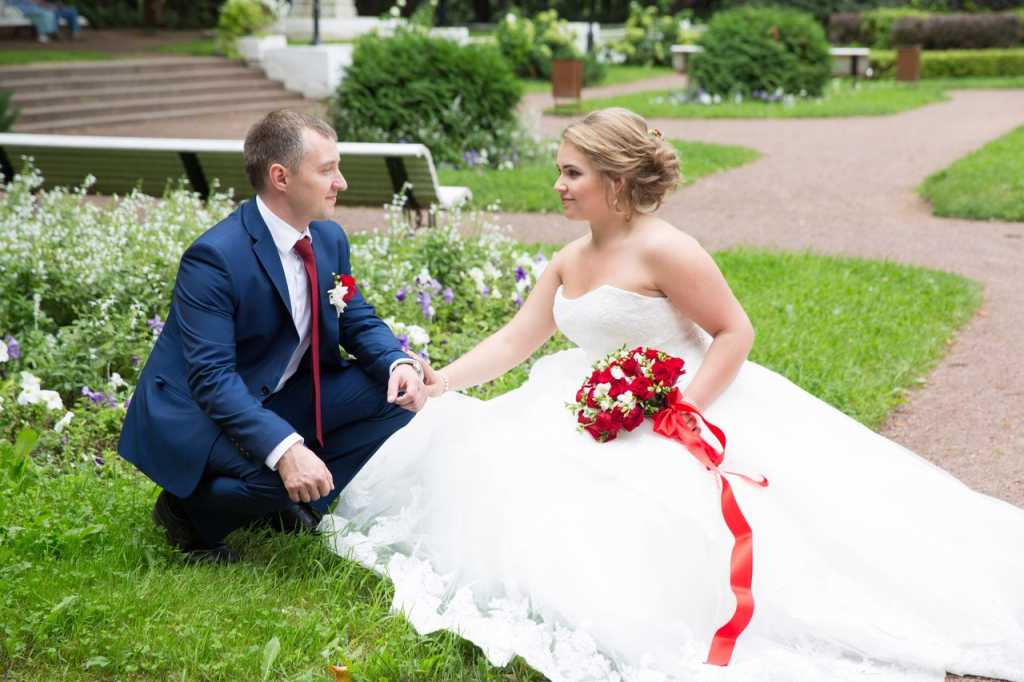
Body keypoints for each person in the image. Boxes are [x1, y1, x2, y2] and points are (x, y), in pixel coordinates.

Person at [322, 108, 1024, 681]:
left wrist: (684, 409)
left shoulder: (667, 249)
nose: (558, 185)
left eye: (572, 173)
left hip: (683, 398)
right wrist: (442, 380)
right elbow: (516, 340)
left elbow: (734, 332)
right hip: (585, 400)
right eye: (560, 171)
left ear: (617, 180)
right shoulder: (568, 258)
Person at [118, 110, 430, 564]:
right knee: (274, 474)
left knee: (396, 397)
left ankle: (290, 503)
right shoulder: (214, 258)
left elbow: (354, 316)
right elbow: (212, 380)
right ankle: (187, 514)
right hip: (203, 413)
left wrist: (397, 363)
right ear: (280, 177)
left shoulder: (328, 238)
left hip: (276, 393)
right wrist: (285, 450)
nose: (340, 183)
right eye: (327, 170)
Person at [9, 0, 80, 42]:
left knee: (72, 10)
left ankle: (75, 32)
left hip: (53, 7)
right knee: (50, 13)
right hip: (43, 9)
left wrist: (59, 5)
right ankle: (52, 33)